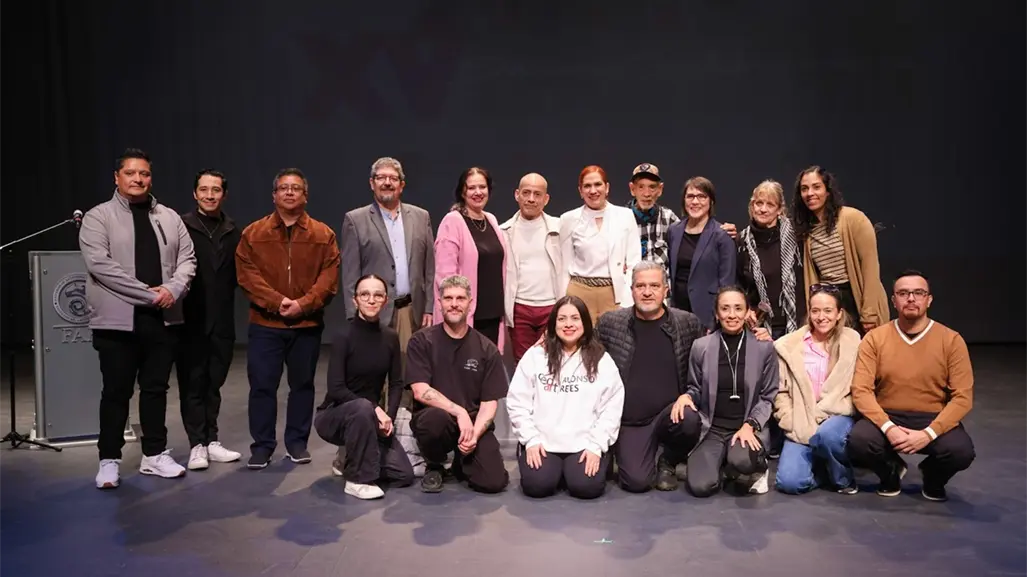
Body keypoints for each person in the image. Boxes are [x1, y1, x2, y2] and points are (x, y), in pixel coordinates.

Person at [79, 148, 196, 488]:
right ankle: (109, 459)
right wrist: (150, 294)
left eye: (144, 173)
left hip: (162, 319)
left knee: (156, 390)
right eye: (131, 173)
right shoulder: (98, 217)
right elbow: (101, 266)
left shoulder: (170, 217)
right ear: (117, 178)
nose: (138, 179)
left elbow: (188, 259)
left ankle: (154, 455)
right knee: (116, 392)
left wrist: (172, 289)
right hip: (117, 322)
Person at [236, 168, 340, 469]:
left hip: (306, 325)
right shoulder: (253, 234)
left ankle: (297, 443)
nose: (290, 192)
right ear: (274, 195)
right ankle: (262, 446)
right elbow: (247, 276)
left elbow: (329, 278)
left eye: (296, 188)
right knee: (262, 387)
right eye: (284, 188)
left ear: (305, 195)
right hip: (265, 324)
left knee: (303, 386)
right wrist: (278, 302)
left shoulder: (323, 234)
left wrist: (303, 305)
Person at [848, 270, 975, 501]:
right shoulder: (875, 338)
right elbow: (861, 390)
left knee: (960, 451)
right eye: (903, 293)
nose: (911, 298)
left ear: (929, 299)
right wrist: (889, 428)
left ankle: (933, 476)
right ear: (893, 300)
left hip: (932, 416)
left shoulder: (951, 340)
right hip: (888, 415)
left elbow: (962, 397)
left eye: (918, 293)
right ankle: (890, 472)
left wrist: (928, 434)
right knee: (859, 440)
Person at [596, 261, 704, 492]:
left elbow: (709, 356)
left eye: (654, 286)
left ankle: (669, 460)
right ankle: (620, 449)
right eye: (640, 286)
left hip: (670, 415)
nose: (647, 292)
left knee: (690, 420)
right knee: (636, 482)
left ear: (666, 290)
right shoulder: (609, 324)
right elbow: (585, 358)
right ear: (632, 289)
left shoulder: (688, 324)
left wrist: (689, 395)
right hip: (630, 421)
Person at [506, 295, 624, 499]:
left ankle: (569, 471)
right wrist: (531, 440)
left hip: (584, 444)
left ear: (585, 323)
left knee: (586, 488)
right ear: (553, 324)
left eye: (575, 318)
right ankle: (556, 471)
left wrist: (596, 446)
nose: (568, 324)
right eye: (561, 319)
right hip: (543, 443)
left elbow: (612, 407)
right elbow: (518, 402)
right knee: (537, 486)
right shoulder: (535, 356)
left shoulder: (601, 359)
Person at [314, 274, 414, 499]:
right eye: (365, 294)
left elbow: (397, 383)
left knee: (403, 475)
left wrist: (388, 415)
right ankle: (357, 479)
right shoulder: (343, 336)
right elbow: (337, 388)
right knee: (361, 407)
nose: (371, 300)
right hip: (335, 415)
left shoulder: (389, 337)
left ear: (385, 300)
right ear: (355, 300)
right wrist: (375, 408)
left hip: (370, 420)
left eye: (378, 295)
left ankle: (349, 457)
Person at [406, 275, 509, 493]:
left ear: (470, 303)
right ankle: (434, 464)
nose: (454, 304)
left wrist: (475, 434)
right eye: (448, 298)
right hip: (437, 419)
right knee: (435, 420)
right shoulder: (422, 341)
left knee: (493, 482)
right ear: (439, 302)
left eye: (460, 298)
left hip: (472, 425)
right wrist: (459, 411)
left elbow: (489, 403)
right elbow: (420, 391)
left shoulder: (486, 349)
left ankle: (461, 463)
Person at [177, 169, 243, 470]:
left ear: (224, 194)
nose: (210, 195)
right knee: (193, 383)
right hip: (190, 320)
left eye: (216, 190)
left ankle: (212, 440)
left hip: (222, 321)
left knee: (214, 383)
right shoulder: (182, 226)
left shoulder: (233, 230)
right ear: (195, 193)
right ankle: (197, 445)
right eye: (204, 189)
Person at [684, 286, 778, 497]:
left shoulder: (764, 348)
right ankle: (720, 463)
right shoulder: (701, 347)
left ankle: (756, 466)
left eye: (738, 308)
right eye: (725, 309)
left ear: (747, 312)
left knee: (742, 461)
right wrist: (687, 396)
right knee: (701, 487)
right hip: (713, 429)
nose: (732, 315)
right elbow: (695, 387)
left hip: (746, 427)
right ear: (717, 314)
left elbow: (768, 395)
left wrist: (750, 425)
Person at [340, 157, 435, 355]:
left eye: (392, 178)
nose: (387, 183)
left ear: (401, 184)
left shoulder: (421, 217)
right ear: (371, 183)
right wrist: (355, 315)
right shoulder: (355, 220)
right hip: (372, 312)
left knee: (407, 376)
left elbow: (430, 268)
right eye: (381, 177)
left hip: (410, 312)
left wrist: (429, 307)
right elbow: (350, 274)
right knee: (374, 377)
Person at [773, 285, 861, 494]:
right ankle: (824, 471)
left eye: (828, 311)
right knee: (790, 484)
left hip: (837, 417)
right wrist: (790, 419)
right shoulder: (787, 346)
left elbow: (860, 387)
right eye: (815, 311)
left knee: (828, 435)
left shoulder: (853, 342)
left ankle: (843, 480)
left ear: (839, 314)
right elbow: (780, 392)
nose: (821, 317)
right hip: (802, 422)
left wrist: (840, 410)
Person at [792, 166, 888, 335]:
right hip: (830, 303)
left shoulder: (853, 219)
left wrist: (869, 313)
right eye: (804, 189)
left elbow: (870, 268)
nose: (810, 193)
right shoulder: (807, 231)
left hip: (856, 300)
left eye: (816, 187)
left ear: (827, 191)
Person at [433, 167, 510, 349]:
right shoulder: (452, 221)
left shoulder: (490, 219)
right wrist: (456, 308)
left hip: (493, 314)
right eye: (472, 188)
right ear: (463, 191)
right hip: (467, 316)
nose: (478, 192)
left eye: (482, 187)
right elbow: (445, 276)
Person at [559, 165, 642, 326]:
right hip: (579, 291)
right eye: (587, 186)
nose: (593, 190)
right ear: (580, 191)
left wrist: (626, 297)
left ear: (607, 187)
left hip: (613, 292)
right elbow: (564, 266)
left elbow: (634, 261)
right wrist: (562, 302)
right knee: (581, 344)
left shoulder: (624, 216)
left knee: (614, 343)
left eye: (598, 184)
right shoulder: (568, 219)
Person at [499, 172, 562, 362]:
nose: (531, 199)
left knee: (552, 361)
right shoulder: (504, 231)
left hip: (551, 305)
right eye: (526, 193)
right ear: (517, 195)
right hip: (520, 308)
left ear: (546, 199)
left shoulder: (560, 228)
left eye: (537, 194)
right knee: (524, 363)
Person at [737, 179, 804, 341]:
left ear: (780, 209)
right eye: (759, 203)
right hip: (760, 326)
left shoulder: (797, 236)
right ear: (752, 206)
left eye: (770, 204)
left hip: (797, 323)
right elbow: (738, 282)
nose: (763, 209)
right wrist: (745, 308)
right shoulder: (742, 241)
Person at [668, 177, 736, 330]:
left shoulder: (722, 235)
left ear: (711, 202)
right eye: (690, 196)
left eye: (701, 197)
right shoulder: (674, 231)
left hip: (707, 315)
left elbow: (727, 282)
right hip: (677, 313)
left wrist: (720, 315)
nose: (695, 201)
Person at [627, 163, 678, 282]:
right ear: (632, 189)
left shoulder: (669, 218)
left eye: (652, 187)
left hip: (661, 293)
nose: (647, 194)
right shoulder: (620, 219)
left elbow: (693, 237)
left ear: (660, 189)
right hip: (630, 292)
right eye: (641, 187)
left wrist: (722, 231)